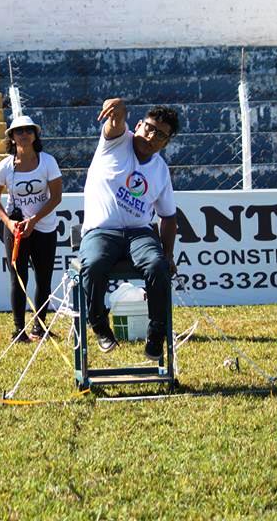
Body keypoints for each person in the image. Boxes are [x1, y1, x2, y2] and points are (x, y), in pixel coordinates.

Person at [79, 98, 179, 360]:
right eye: (149, 128)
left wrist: (168, 255)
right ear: (138, 125)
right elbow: (116, 119)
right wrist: (118, 105)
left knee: (157, 266)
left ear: (166, 143)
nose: (152, 136)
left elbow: (168, 218)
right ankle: (99, 324)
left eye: (160, 135)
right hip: (101, 231)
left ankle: (156, 333)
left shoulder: (160, 170)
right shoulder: (116, 142)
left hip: (139, 233)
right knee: (94, 265)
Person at [0, 115, 63, 342]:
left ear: (35, 135)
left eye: (28, 130)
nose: (24, 134)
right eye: (19, 131)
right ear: (11, 137)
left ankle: (39, 328)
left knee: (44, 278)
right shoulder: (4, 167)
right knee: (18, 278)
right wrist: (9, 223)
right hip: (16, 230)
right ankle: (19, 330)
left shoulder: (48, 162)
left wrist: (35, 220)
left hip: (45, 227)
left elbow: (56, 197)